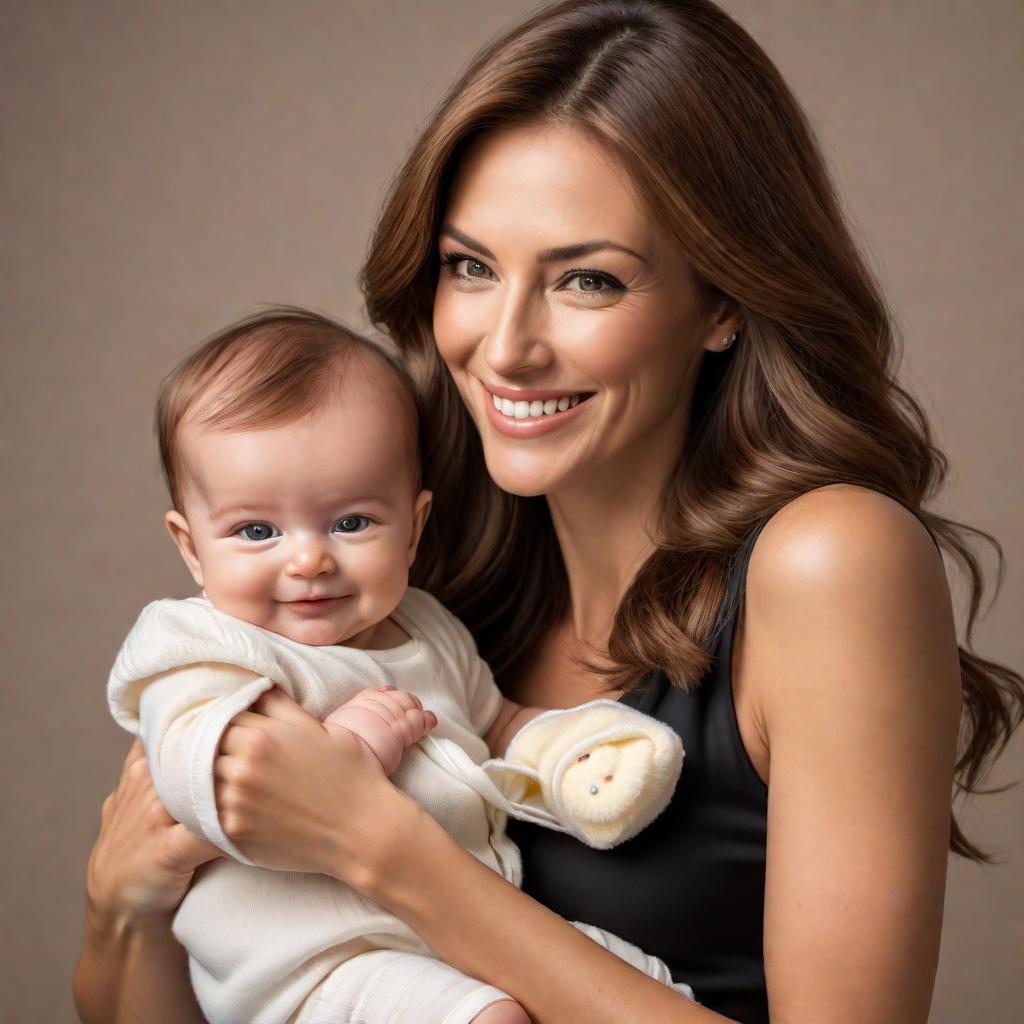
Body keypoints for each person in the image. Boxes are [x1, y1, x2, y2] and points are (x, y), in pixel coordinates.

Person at [74, 2, 1024, 1022]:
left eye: (587, 280)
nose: (506, 345)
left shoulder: (830, 561)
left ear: (721, 304)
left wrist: (380, 848)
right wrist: (120, 903)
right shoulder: (403, 562)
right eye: (470, 267)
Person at [104, 308, 692, 1024]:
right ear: (191, 546)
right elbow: (200, 774)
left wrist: (571, 754)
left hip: (447, 934)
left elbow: (496, 718)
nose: (309, 559)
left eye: (351, 523)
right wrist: (346, 751)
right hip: (316, 967)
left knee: (649, 982)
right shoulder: (202, 644)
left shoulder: (427, 626)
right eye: (256, 531)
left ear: (413, 526)